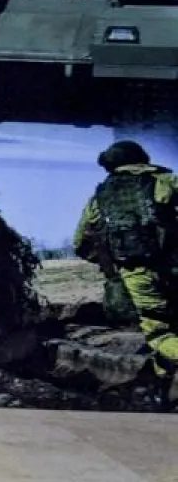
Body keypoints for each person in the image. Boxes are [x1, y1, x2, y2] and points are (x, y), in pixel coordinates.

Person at [73, 139, 178, 408]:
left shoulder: (102, 194)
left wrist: (115, 266)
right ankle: (165, 390)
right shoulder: (165, 180)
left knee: (158, 333)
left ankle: (163, 391)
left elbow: (81, 242)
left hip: (137, 274)